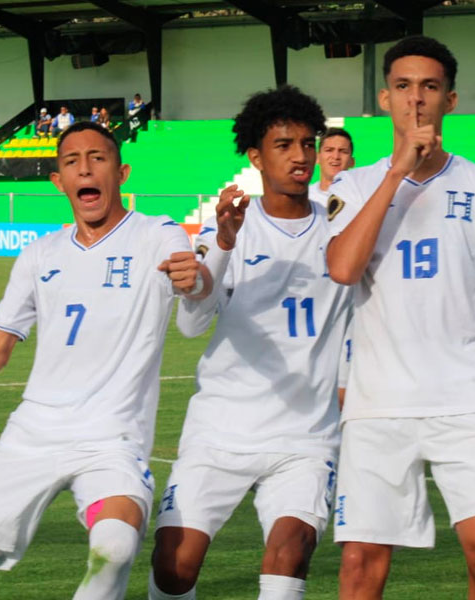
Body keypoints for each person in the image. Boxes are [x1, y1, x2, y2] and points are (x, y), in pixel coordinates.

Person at [0, 120, 208, 600]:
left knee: (115, 544)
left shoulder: (157, 234)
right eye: (71, 162)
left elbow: (190, 277)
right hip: (32, 434)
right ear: (58, 181)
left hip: (112, 438)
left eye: (98, 158)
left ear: (121, 172)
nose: (85, 168)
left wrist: (193, 278)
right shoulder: (39, 254)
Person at [325, 35, 475, 600]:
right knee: (360, 566)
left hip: (466, 398)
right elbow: (341, 268)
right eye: (404, 87)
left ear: (451, 100)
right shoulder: (354, 185)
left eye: (429, 87)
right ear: (384, 99)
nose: (416, 100)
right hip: (377, 405)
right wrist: (395, 176)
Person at [149, 85, 352, 600]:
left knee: (290, 553)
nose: (301, 156)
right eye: (284, 145)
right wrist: (221, 244)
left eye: (308, 143)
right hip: (220, 430)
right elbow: (192, 326)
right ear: (256, 156)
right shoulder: (227, 228)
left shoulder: (343, 230)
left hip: (304, 437)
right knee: (174, 568)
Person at [308, 127, 357, 408]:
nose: (335, 157)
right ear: (317, 157)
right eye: (329, 150)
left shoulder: (362, 198)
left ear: (352, 160)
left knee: (343, 395)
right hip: (311, 306)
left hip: (350, 308)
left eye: (343, 152)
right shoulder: (304, 200)